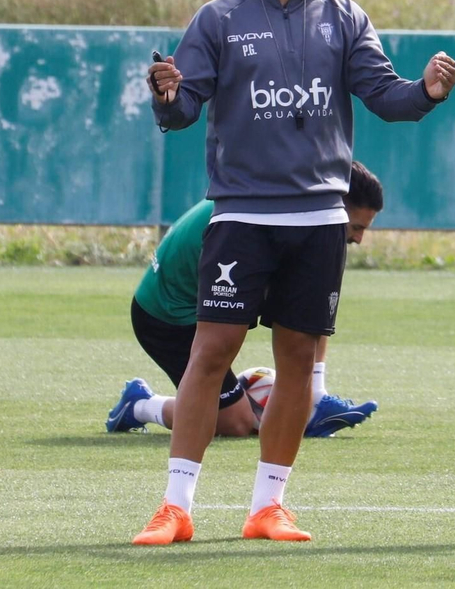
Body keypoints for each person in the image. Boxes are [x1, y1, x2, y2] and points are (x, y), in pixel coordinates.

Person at [132, 0, 455, 546]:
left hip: (317, 223)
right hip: (243, 218)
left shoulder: (343, 17)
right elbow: (183, 107)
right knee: (211, 352)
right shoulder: (219, 20)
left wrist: (424, 92)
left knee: (299, 361)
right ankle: (176, 505)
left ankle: (268, 507)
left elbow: (385, 94)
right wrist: (166, 94)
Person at [106, 160, 386, 439]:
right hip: (165, 319)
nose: (360, 239)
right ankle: (139, 405)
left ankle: (299, 399)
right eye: (356, 227)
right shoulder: (270, 221)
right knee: (236, 424)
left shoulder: (290, 206)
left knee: (311, 296)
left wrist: (313, 395)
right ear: (334, 207)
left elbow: (311, 308)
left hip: (193, 307)